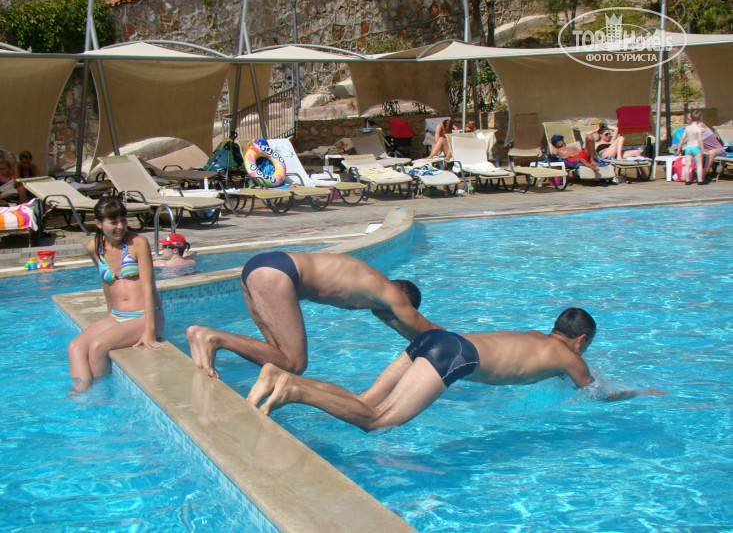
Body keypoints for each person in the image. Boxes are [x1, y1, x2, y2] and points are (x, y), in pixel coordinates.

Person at [247, 308, 666, 431]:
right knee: (377, 421)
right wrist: (640, 392)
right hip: (455, 355)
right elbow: (595, 392)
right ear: (582, 341)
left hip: (440, 340)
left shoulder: (535, 336)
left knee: (364, 401)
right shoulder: (571, 357)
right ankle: (294, 391)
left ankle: (281, 377)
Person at [187, 252, 442, 378]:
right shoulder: (393, 294)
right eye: (395, 316)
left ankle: (201, 339)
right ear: (403, 302)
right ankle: (213, 338)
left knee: (277, 359)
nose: (390, 320)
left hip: (261, 266)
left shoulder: (373, 283)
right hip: (278, 275)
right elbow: (430, 331)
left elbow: (413, 335)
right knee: (295, 364)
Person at [67, 196, 164, 391]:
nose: (120, 226)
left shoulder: (138, 243)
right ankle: (81, 394)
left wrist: (150, 330)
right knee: (75, 347)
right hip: (117, 315)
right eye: (113, 222)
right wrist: (109, 317)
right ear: (98, 224)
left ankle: (102, 395)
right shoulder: (94, 247)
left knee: (98, 347)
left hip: (144, 315)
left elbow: (149, 287)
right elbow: (107, 283)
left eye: (123, 220)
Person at [675, 110, 708, 185]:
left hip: (689, 148)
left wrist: (679, 148)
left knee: (687, 165)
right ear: (700, 118)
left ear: (691, 118)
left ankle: (687, 180)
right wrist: (702, 150)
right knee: (699, 165)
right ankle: (700, 180)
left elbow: (682, 138)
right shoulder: (698, 129)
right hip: (696, 147)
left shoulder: (687, 128)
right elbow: (700, 140)